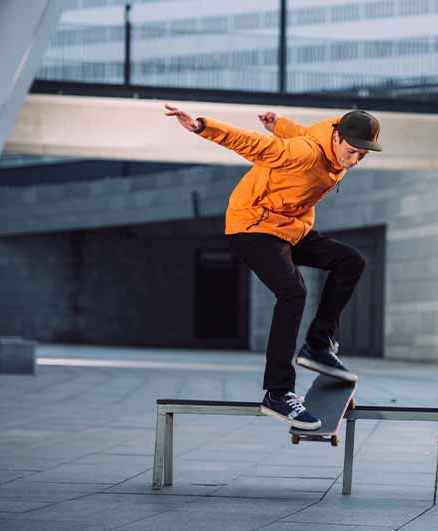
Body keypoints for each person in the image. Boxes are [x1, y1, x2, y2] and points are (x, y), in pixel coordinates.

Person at [164, 104, 382, 431]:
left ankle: (318, 345)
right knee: (293, 292)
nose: (353, 160)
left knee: (351, 261)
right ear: (337, 138)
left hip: (287, 228)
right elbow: (252, 144)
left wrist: (278, 123)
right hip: (252, 226)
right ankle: (278, 393)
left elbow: (300, 131)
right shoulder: (305, 152)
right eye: (351, 152)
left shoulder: (325, 138)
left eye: (361, 156)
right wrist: (201, 126)